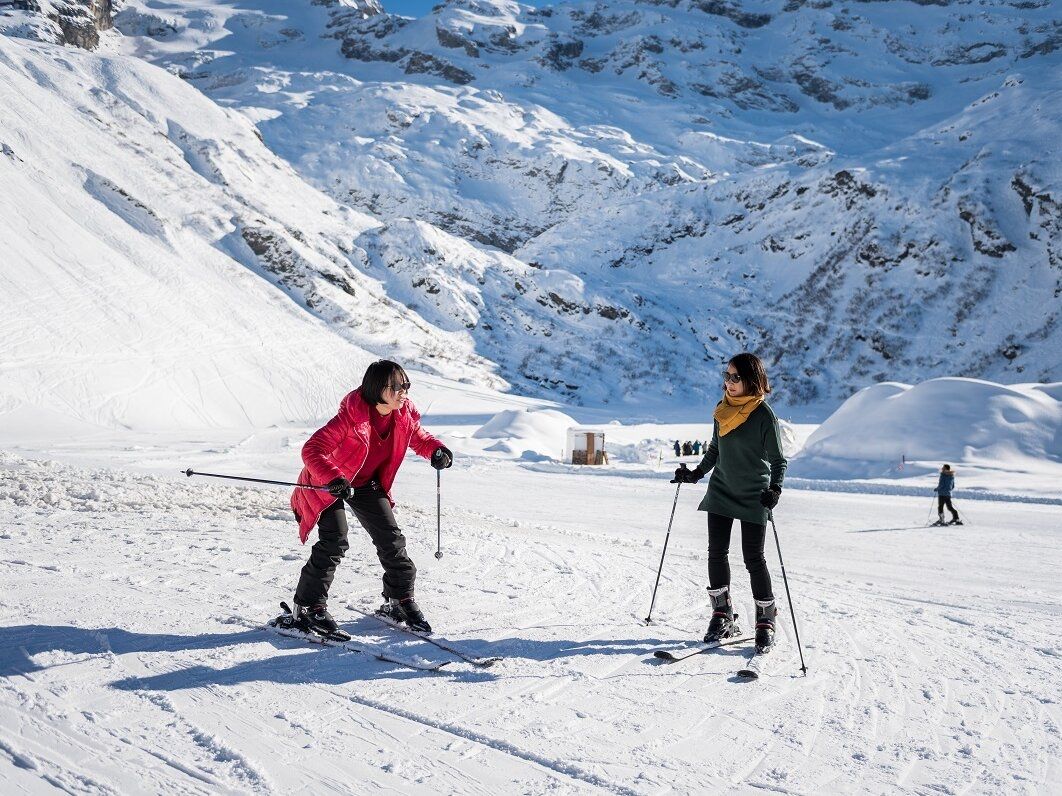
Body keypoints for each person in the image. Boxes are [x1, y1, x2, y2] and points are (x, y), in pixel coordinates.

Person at [288, 360, 452, 638]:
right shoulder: (351, 417)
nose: (404, 392)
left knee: (391, 539)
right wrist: (333, 478)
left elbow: (419, 437)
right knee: (335, 539)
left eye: (406, 385)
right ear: (378, 389)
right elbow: (312, 449)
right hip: (329, 483)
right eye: (397, 387)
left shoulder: (404, 413)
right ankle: (307, 607)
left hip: (366, 484)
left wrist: (436, 450)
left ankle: (399, 600)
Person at [672, 353, 787, 653]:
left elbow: (778, 461)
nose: (729, 382)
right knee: (716, 552)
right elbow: (715, 450)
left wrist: (775, 489)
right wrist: (695, 474)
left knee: (753, 558)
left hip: (753, 493)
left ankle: (766, 619)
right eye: (727, 375)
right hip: (722, 488)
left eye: (736, 377)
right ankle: (722, 614)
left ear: (751, 379)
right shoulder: (722, 410)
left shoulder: (764, 415)